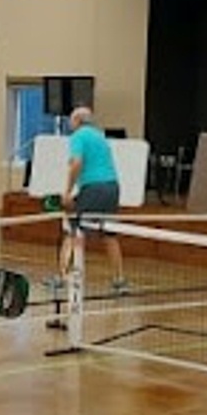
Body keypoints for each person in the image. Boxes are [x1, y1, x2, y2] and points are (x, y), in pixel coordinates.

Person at [56, 106, 128, 295]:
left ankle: (63, 278)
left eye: (71, 119)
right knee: (109, 234)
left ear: (78, 121)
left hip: (94, 188)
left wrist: (67, 192)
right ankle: (119, 280)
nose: (69, 123)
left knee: (73, 230)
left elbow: (77, 163)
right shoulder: (99, 135)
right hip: (112, 187)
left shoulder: (78, 137)